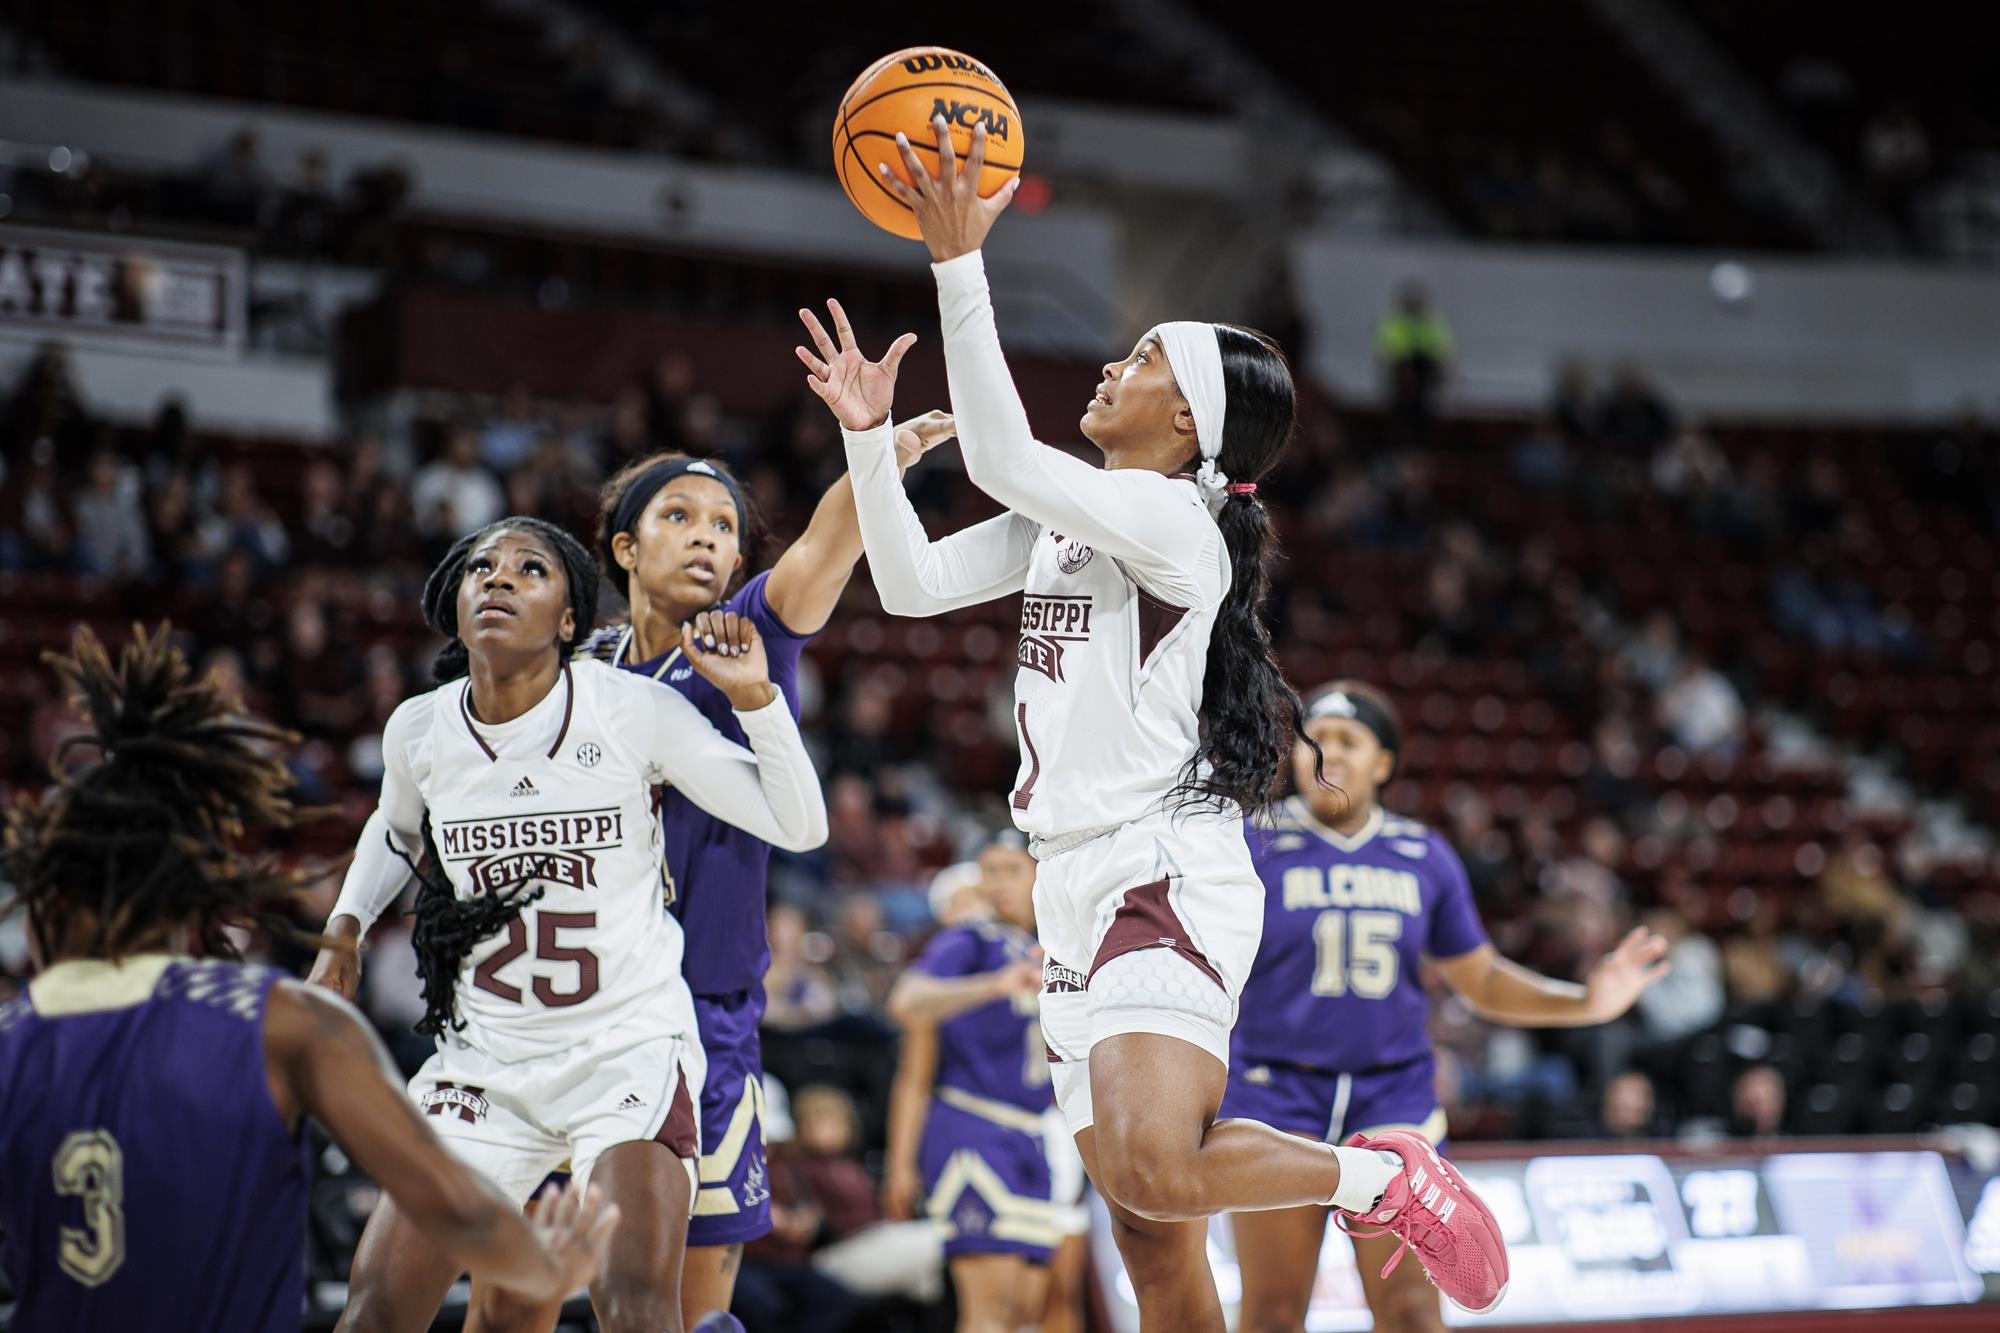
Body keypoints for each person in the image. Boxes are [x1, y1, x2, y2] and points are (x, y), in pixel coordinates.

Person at [807, 116, 1510, 1328]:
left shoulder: (1178, 524)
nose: (1107, 366)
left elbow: (1002, 453)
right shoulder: (1081, 515)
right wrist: (869, 443)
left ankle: (1382, 1176)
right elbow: (911, 582)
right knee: (1147, 1228)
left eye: (1137, 359)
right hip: (1068, 877)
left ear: (1188, 424)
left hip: (1160, 866)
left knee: (1157, 1167)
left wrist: (958, 261)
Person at [0, 626, 619, 1330]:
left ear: (47, 901)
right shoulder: (286, 1022)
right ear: (196, 886)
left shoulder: (11, 1041)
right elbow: (455, 1207)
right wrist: (551, 1266)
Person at [469, 425, 941, 1331]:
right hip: (576, 1019)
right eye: (678, 515)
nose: (706, 536)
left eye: (725, 525)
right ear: (623, 546)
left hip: (705, 1019)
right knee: (513, 1300)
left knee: (685, 1312)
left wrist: (875, 447)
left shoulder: (749, 630)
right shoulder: (570, 672)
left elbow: (828, 541)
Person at [306, 516, 827, 1333]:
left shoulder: (630, 711)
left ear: (571, 617)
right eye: (482, 566)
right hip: (485, 1061)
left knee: (633, 1303)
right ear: (456, 599)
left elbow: (799, 826)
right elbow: (396, 827)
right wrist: (346, 926)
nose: (499, 578)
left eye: (529, 569)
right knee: (376, 1309)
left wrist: (757, 700)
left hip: (623, 1048)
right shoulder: (421, 727)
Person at [1221, 682, 1670, 1333]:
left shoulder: (1423, 854)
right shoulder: (1249, 843)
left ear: (1385, 762)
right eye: (1314, 740)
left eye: (1349, 740)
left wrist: (1588, 1003)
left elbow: (1481, 979)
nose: (1327, 753)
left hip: (1392, 1103)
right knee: (1270, 1313)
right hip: (1274, 1096)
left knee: (1409, 1310)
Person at [885, 837, 1056, 1333]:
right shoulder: (970, 940)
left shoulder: (1048, 947)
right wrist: (993, 985)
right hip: (972, 1129)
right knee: (989, 1313)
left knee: (1027, 1312)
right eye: (988, 871)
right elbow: (905, 1002)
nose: (997, 882)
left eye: (1009, 870)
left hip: (1032, 1135)